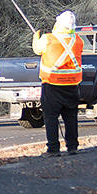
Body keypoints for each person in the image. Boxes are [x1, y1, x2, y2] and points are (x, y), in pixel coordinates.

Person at [32, 10, 84, 157]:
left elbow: (37, 49)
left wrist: (36, 38)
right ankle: (72, 147)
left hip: (52, 85)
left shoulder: (48, 39)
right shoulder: (78, 41)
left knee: (51, 118)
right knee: (71, 117)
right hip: (72, 86)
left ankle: (53, 149)